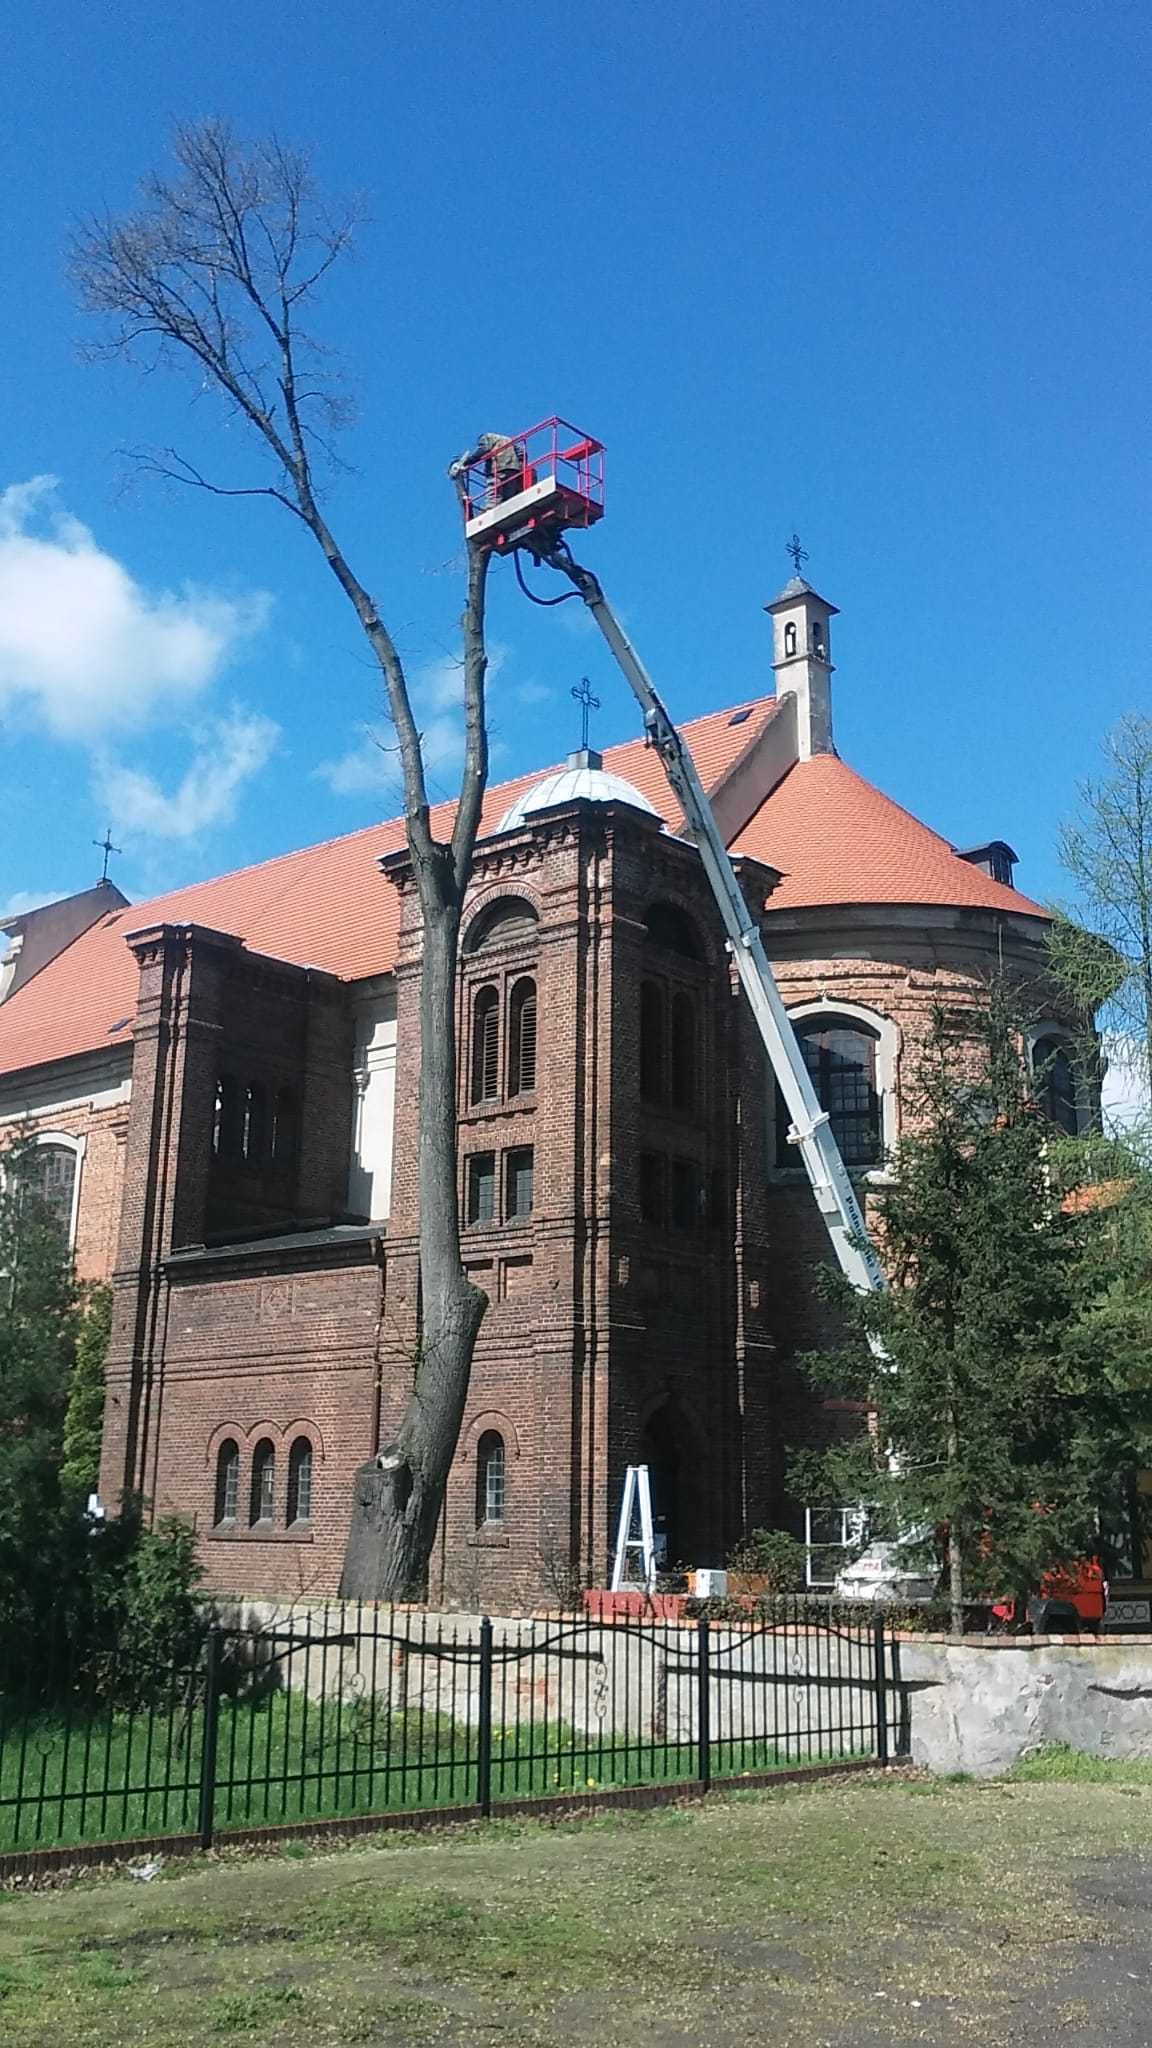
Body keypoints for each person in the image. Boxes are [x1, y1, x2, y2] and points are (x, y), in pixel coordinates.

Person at [449, 432, 527, 507]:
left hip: (498, 468)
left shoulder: (486, 437)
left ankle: (491, 510)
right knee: (509, 496)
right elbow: (521, 451)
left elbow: (483, 449)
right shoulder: (508, 439)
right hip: (513, 469)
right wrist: (519, 465)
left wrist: (467, 461)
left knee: (494, 494)